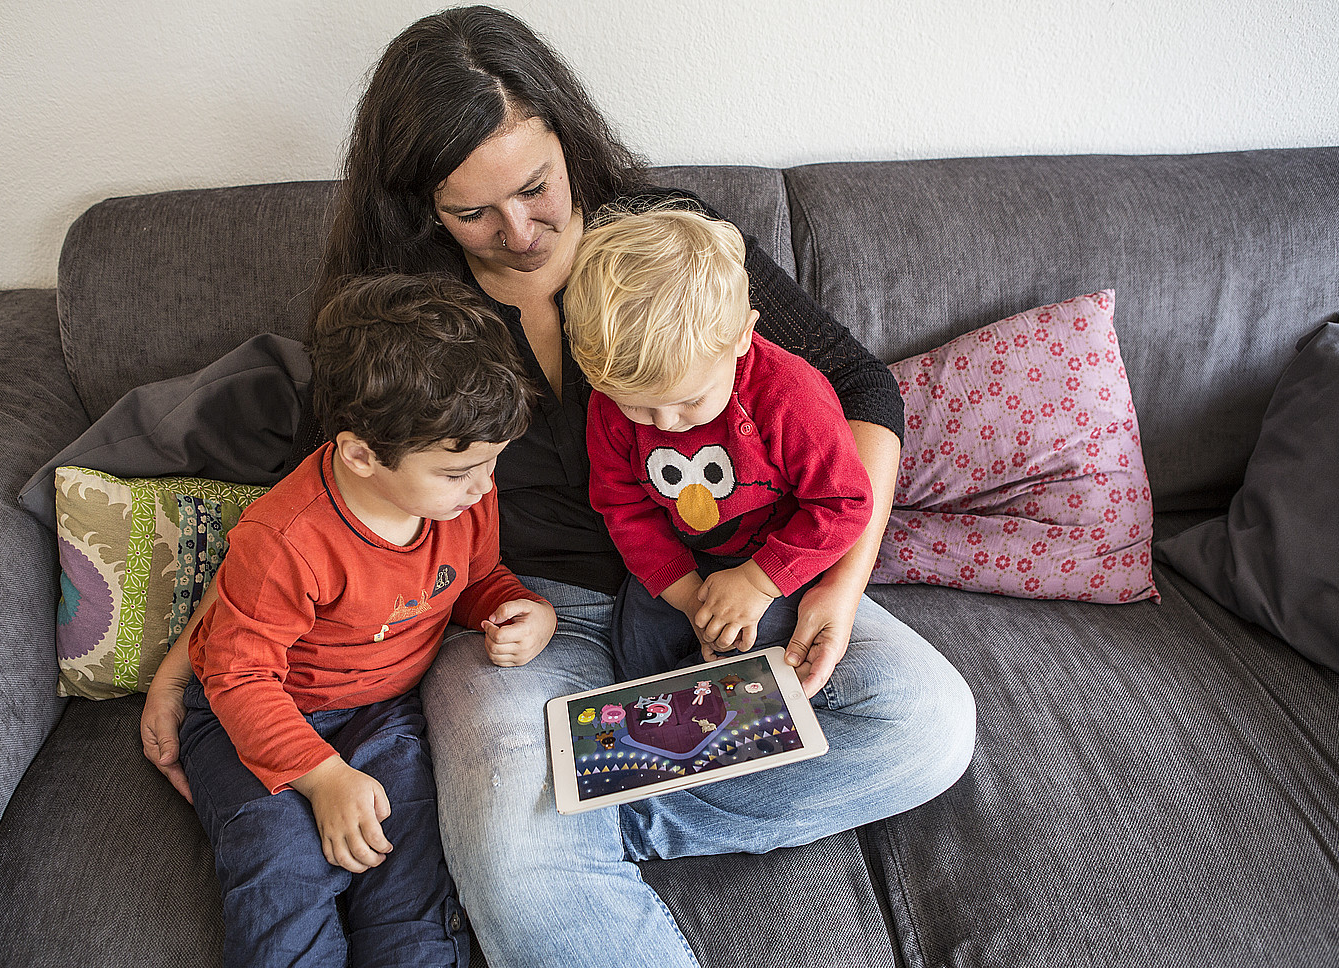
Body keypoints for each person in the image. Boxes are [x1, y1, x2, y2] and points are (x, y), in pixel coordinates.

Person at [142, 7, 976, 967]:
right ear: (423, 207)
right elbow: (322, 490)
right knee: (521, 866)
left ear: (568, 140)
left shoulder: (672, 244)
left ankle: (565, 828)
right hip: (525, 614)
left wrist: (834, 585)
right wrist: (192, 652)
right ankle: (534, 844)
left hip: (731, 587)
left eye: (537, 189)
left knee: (924, 724)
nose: (520, 232)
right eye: (473, 213)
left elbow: (858, 388)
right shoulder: (401, 308)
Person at [178, 272, 556, 968]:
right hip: (254, 713)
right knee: (280, 870)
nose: (484, 487)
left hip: (384, 714)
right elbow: (238, 675)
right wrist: (321, 777)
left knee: (411, 873)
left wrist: (523, 610)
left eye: (493, 464)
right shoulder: (287, 538)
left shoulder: (465, 501)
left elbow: (474, 582)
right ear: (359, 454)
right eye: (459, 471)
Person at [564, 206, 875, 678]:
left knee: (761, 662)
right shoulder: (610, 403)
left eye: (689, 401)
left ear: (742, 338)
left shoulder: (788, 394)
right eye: (641, 408)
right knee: (638, 663)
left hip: (778, 555)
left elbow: (844, 502)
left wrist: (758, 581)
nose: (665, 424)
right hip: (680, 562)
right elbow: (625, 509)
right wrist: (690, 598)